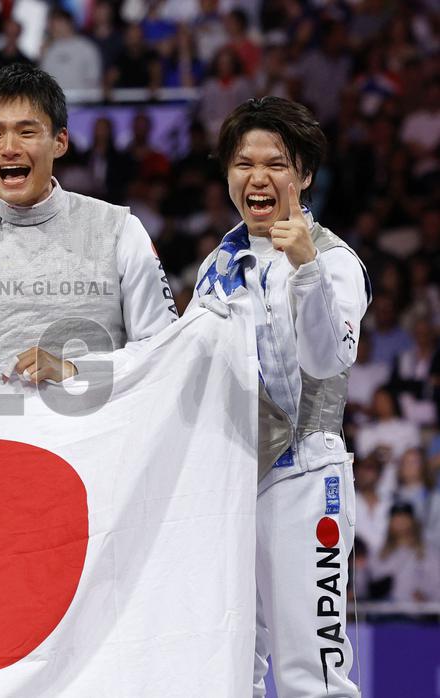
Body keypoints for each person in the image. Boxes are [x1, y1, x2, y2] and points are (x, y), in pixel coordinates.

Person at [193, 96, 370, 697]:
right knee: (230, 669)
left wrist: (306, 268)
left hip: (305, 481)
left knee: (311, 675)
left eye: (275, 164)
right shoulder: (219, 264)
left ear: (305, 175)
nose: (258, 178)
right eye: (244, 164)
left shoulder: (337, 261)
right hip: (232, 484)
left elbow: (327, 358)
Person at [0, 63, 177, 380]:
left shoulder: (119, 228)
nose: (9, 148)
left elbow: (162, 348)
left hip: (103, 425)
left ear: (60, 141)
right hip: (0, 428)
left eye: (26, 132)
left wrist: (74, 370)